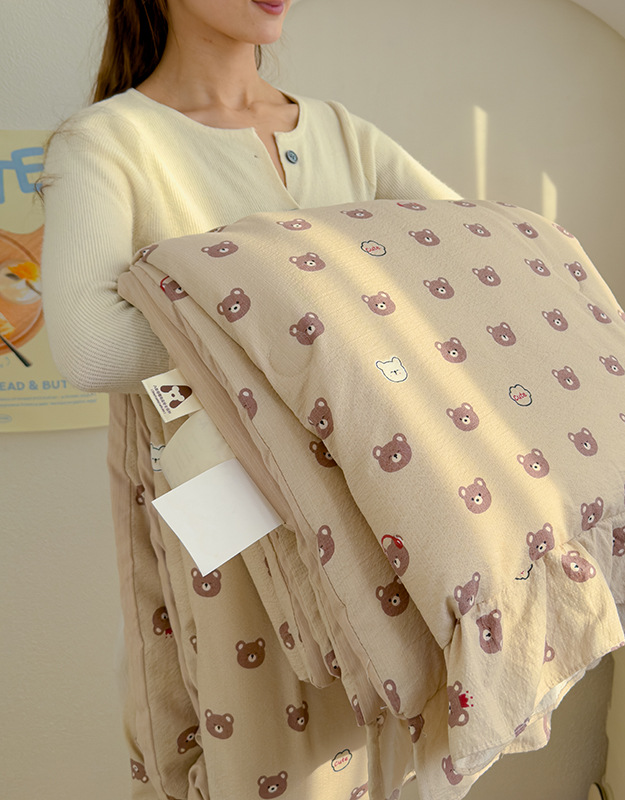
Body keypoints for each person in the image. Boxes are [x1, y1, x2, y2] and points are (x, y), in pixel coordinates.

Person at [41, 2, 458, 797]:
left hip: (378, 520)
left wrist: (252, 318)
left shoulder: (342, 135)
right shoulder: (111, 144)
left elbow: (466, 266)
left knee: (382, 743)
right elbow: (93, 347)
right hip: (236, 543)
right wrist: (329, 322)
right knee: (261, 754)